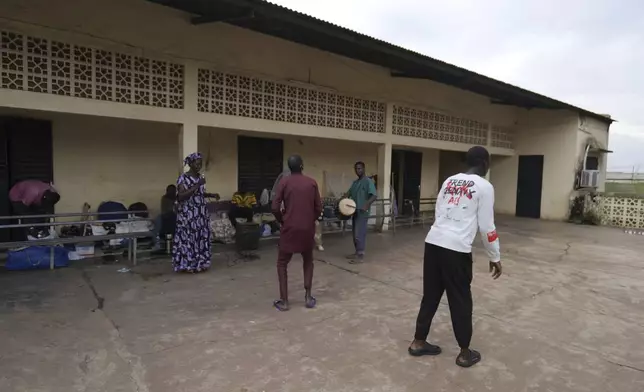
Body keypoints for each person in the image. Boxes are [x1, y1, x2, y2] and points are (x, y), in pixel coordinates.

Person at [409, 146, 502, 368]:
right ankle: (464, 353)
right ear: (484, 163)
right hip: (456, 249)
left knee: (430, 295)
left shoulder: (449, 181)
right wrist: (494, 255)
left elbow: (439, 211)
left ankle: (418, 342)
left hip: (433, 242)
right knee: (460, 300)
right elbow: (487, 226)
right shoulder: (485, 187)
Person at [271, 155, 322, 311]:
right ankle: (307, 297)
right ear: (302, 166)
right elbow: (318, 208)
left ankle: (285, 301)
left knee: (282, 263)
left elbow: (274, 207)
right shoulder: (312, 182)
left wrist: (282, 220)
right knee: (308, 261)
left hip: (289, 228)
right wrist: (309, 220)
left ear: (289, 167)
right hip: (307, 229)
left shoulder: (284, 182)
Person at [172, 152, 216, 273]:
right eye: (197, 163)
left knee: (200, 237)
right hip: (188, 214)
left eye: (200, 163)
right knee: (189, 238)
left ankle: (200, 263)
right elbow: (181, 196)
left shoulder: (199, 177)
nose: (199, 166)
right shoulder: (183, 178)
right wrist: (198, 185)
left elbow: (198, 194)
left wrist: (210, 194)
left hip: (200, 213)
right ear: (190, 164)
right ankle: (188, 264)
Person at [346, 161, 377, 263]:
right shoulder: (355, 183)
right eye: (356, 169)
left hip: (363, 212)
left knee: (360, 233)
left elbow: (374, 195)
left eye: (359, 168)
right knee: (354, 233)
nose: (357, 170)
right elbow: (349, 193)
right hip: (354, 211)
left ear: (363, 169)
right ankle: (357, 252)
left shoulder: (368, 181)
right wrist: (342, 198)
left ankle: (360, 255)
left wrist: (367, 204)